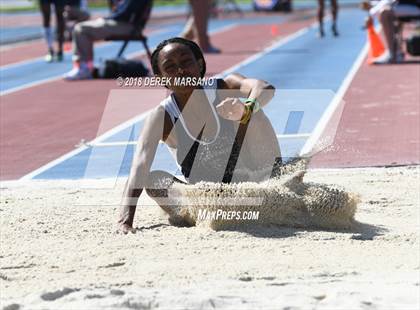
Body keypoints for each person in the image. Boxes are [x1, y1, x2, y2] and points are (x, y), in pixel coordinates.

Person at [118, 37, 282, 234]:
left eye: (186, 62)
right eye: (170, 67)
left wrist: (246, 109)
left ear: (200, 64)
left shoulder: (224, 87)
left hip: (255, 182)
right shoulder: (162, 116)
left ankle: (280, 187)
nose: (180, 71)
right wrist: (125, 221)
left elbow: (264, 88)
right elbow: (140, 165)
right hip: (208, 197)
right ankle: (201, 215)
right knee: (153, 181)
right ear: (161, 78)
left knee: (255, 115)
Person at [64, 0, 151, 80]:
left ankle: (84, 67)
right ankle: (86, 67)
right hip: (125, 24)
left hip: (127, 26)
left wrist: (107, 19)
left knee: (81, 29)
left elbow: (125, 13)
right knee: (81, 28)